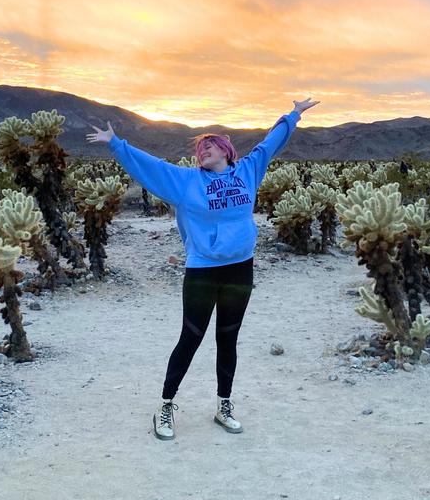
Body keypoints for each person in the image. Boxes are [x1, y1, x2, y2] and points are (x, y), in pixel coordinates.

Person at [86, 97, 320, 440]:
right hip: (203, 270)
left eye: (209, 145)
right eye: (199, 149)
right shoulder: (186, 182)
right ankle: (165, 406)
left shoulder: (248, 171)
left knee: (228, 338)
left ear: (226, 150)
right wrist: (116, 144)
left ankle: (224, 406)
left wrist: (294, 114)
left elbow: (271, 142)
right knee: (191, 338)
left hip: (240, 268)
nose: (203, 151)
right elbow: (153, 168)